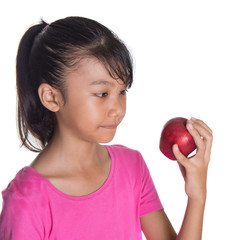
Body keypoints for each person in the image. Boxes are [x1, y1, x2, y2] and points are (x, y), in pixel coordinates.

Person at [0, 16, 213, 240]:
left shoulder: (132, 168)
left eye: (122, 92)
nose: (118, 109)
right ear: (51, 97)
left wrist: (196, 196)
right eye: (102, 94)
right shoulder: (27, 200)